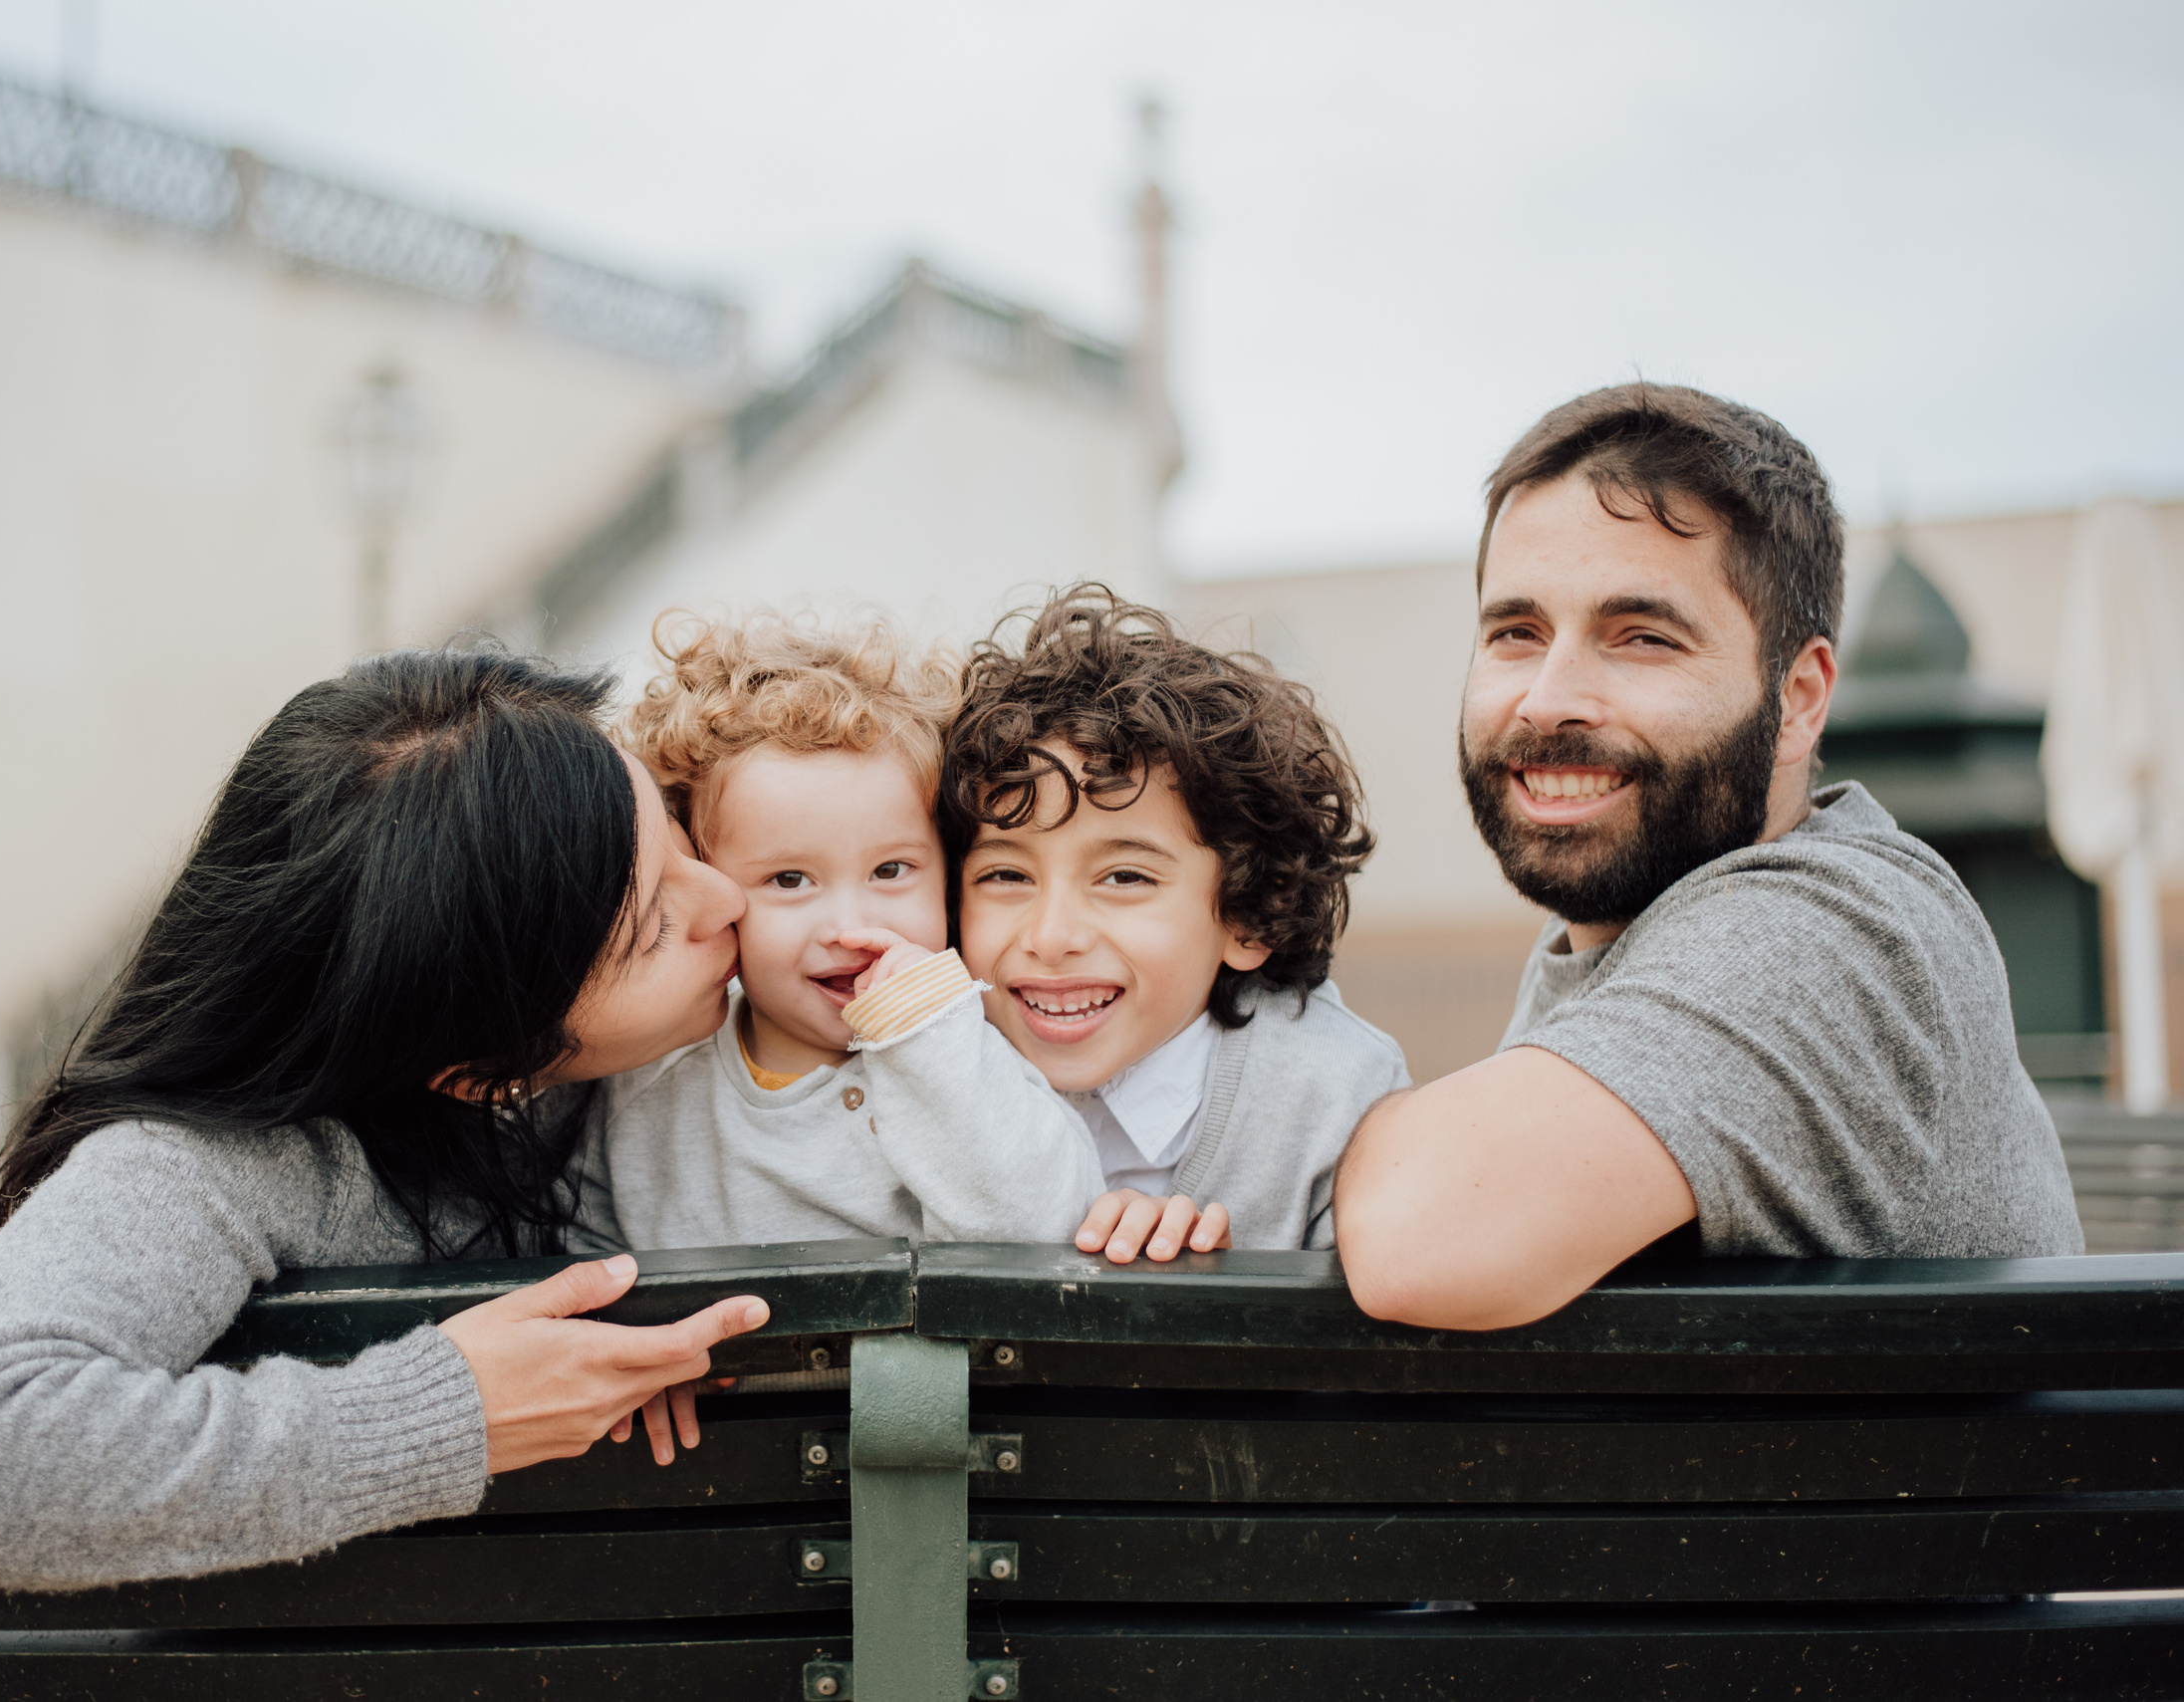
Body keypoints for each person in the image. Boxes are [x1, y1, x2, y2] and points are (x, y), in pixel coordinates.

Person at [0, 649, 773, 1591]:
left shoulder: (711, 1045)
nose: (726, 898)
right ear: (479, 1072)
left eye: (674, 830)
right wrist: (446, 1416)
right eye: (653, 929)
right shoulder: (213, 1165)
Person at [1335, 383, 2084, 1333]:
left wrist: (1304, 1100)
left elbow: (1423, 1231)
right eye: (1517, 633)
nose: (1548, 698)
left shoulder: (1834, 931)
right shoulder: (1625, 938)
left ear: (1799, 698)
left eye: (1643, 637)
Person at [570, 611, 1106, 1250]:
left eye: (890, 870)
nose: (851, 928)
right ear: (709, 883)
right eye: (790, 880)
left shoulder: (973, 1046)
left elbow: (1049, 1232)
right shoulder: (647, 1078)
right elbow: (584, 1255)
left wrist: (926, 1035)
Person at [943, 588, 1412, 1259]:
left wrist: (1216, 1297)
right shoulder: (928, 1067)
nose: (1050, 937)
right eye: (1006, 875)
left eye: (1125, 878)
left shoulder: (1337, 1096)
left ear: (1248, 914)